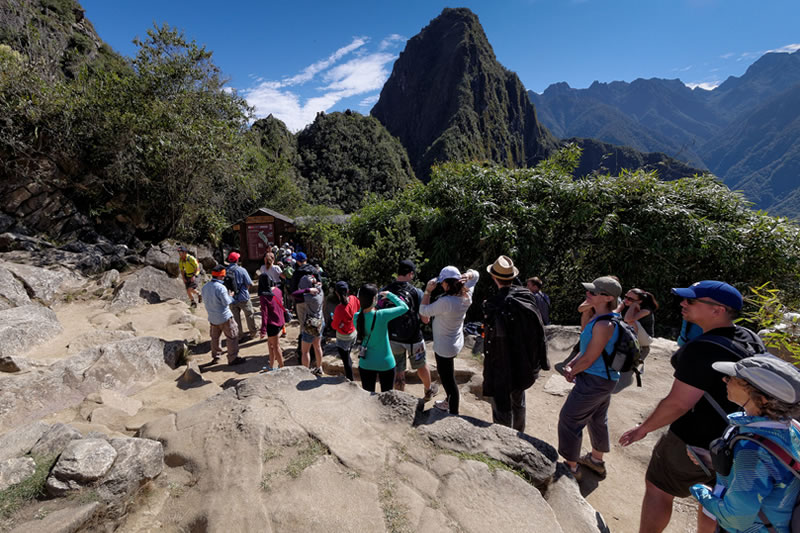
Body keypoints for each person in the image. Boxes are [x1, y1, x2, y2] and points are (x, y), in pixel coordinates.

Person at [618, 280, 766, 533]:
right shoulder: (749, 338)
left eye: (692, 300)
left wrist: (643, 428)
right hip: (735, 440)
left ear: (717, 309)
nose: (683, 304)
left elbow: (678, 403)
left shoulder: (702, 348)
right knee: (712, 495)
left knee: (658, 487)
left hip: (693, 438)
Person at [690, 355, 800, 533]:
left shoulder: (753, 450)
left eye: (733, 378)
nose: (724, 380)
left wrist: (701, 492)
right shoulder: (792, 428)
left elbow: (736, 519)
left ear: (762, 398)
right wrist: (716, 462)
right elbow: (776, 473)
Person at [557, 276, 622, 481]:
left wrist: (573, 370)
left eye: (594, 292)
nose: (588, 293)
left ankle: (571, 468)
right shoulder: (602, 318)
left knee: (569, 419)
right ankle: (596, 460)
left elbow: (590, 357)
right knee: (597, 418)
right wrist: (573, 364)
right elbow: (586, 349)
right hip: (604, 379)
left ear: (608, 297)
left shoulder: (604, 324)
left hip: (595, 380)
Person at [483, 256, 548, 432]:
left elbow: (495, 339)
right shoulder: (526, 296)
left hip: (503, 361)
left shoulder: (494, 304)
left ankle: (503, 440)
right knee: (518, 400)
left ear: (494, 278)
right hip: (523, 359)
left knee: (501, 402)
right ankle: (520, 434)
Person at [419, 266, 479, 415]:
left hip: (444, 348)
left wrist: (427, 291)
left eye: (442, 282)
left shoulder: (446, 302)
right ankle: (449, 402)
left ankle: (453, 411)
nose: (441, 285)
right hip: (455, 343)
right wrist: (468, 275)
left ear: (448, 283)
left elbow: (423, 311)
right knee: (448, 373)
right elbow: (477, 275)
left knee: (449, 381)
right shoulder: (466, 295)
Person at [382, 259, 438, 400]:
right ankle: (428, 391)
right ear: (411, 274)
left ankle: (399, 397)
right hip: (413, 339)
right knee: (421, 366)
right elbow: (425, 319)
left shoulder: (385, 291)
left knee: (398, 370)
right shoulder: (416, 292)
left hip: (392, 338)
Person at [353, 284, 408, 392]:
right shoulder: (382, 315)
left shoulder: (356, 317)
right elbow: (404, 307)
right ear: (374, 299)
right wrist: (390, 295)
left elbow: (363, 310)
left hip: (366, 363)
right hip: (385, 363)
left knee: (368, 399)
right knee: (386, 399)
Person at [614, 288, 659, 392]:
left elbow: (628, 319)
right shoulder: (625, 304)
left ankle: (632, 347)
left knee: (632, 322)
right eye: (625, 297)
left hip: (645, 340)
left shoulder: (646, 309)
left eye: (630, 299)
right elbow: (615, 313)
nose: (626, 300)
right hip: (633, 334)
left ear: (640, 301)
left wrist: (633, 306)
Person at [201, 265, 244, 365]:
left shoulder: (205, 287)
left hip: (212, 317)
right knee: (232, 337)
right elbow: (226, 302)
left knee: (215, 338)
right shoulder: (221, 288)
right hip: (225, 317)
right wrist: (231, 296)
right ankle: (232, 358)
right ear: (221, 276)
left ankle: (216, 357)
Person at [292, 271, 325, 375]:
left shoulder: (310, 297)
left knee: (305, 351)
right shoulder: (320, 291)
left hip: (311, 325)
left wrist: (307, 290)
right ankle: (319, 368)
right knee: (317, 346)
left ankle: (305, 373)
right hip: (320, 322)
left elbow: (294, 294)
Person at [289, 252, 318, 353]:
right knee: (314, 321)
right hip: (314, 301)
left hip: (301, 301)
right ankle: (315, 346)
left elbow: (293, 290)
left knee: (303, 324)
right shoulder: (314, 270)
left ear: (297, 261)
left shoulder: (297, 272)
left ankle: (304, 347)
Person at [331, 281, 360, 381]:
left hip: (343, 337)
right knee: (348, 352)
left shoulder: (339, 309)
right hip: (353, 333)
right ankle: (350, 372)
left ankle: (350, 379)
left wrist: (336, 321)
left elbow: (334, 326)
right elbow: (358, 310)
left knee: (346, 359)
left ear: (336, 293)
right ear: (348, 291)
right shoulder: (354, 299)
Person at [226, 252, 257, 341]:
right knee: (249, 314)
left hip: (231, 298)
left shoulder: (226, 270)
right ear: (237, 260)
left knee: (236, 318)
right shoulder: (242, 270)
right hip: (243, 297)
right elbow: (249, 283)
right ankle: (253, 333)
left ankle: (239, 335)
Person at [257, 274, 285, 370]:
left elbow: (264, 314)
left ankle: (282, 368)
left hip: (272, 324)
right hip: (280, 321)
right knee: (270, 344)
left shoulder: (264, 296)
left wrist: (263, 330)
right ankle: (271, 366)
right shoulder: (278, 290)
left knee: (276, 346)